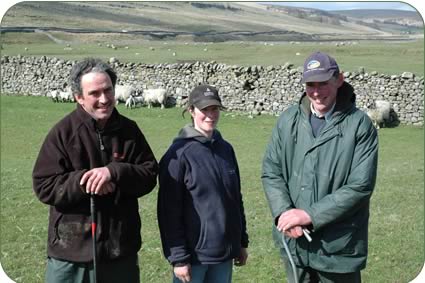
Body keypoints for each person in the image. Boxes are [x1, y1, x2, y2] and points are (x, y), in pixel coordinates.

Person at [32, 58, 158, 283]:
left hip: (120, 250)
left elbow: (149, 174)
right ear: (78, 98)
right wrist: (85, 180)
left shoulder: (129, 131)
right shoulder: (63, 133)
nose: (104, 99)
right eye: (95, 93)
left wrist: (114, 172)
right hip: (71, 254)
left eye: (108, 90)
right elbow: (43, 185)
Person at [262, 51, 378, 283]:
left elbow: (360, 186)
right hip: (296, 246)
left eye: (323, 83)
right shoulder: (288, 120)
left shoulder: (359, 126)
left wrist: (308, 215)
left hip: (337, 249)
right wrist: (284, 213)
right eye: (310, 84)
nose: (316, 92)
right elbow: (271, 170)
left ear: (339, 79)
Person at [158, 85, 249, 283]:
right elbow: (169, 212)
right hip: (194, 258)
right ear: (191, 111)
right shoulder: (178, 156)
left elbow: (235, 198)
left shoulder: (226, 149)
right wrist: (179, 258)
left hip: (224, 255)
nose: (210, 115)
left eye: (214, 109)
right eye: (204, 110)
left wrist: (240, 241)